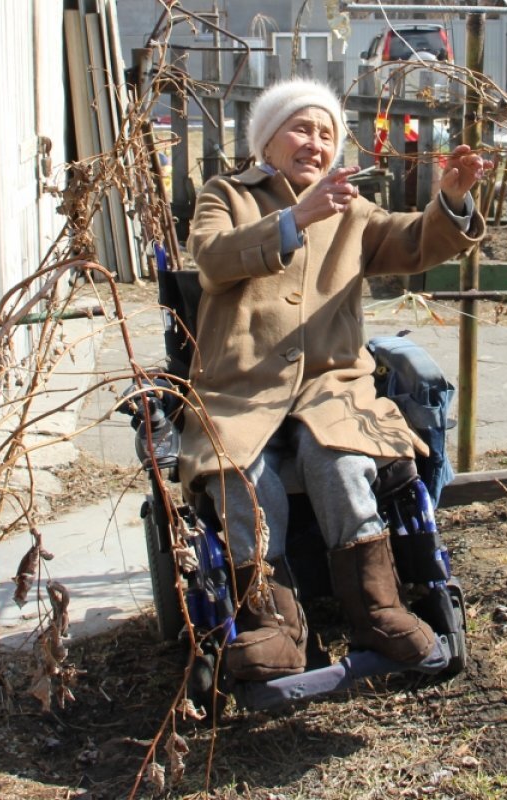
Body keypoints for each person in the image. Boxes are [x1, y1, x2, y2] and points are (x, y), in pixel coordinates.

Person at [180, 77, 490, 681]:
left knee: (342, 463)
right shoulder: (228, 195)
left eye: (326, 134)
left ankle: (377, 609)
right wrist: (295, 218)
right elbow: (212, 258)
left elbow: (412, 243)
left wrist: (451, 203)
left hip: (330, 386)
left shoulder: (351, 211)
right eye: (301, 128)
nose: (316, 143)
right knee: (245, 480)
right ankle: (274, 626)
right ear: (268, 141)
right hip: (239, 389)